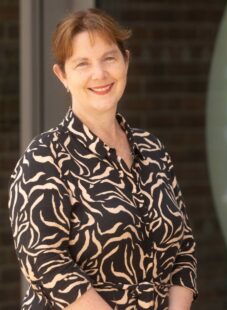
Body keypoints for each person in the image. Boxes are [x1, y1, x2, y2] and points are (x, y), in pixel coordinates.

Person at [8, 8, 197, 310]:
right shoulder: (44, 158)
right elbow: (45, 262)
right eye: (82, 64)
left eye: (109, 58)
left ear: (126, 61)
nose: (100, 74)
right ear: (62, 75)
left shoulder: (153, 150)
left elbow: (183, 249)